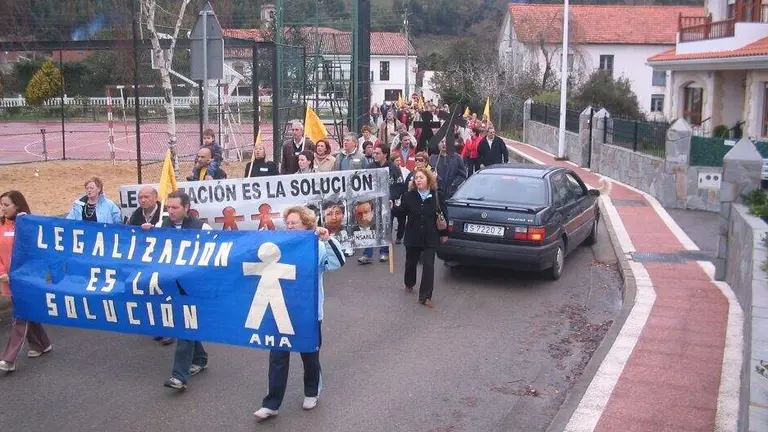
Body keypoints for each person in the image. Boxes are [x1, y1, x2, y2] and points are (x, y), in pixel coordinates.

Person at [253, 206, 345, 420]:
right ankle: (271, 404)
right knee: (277, 356)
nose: (290, 226)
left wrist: (327, 240)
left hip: (308, 312)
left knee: (309, 355)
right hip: (280, 310)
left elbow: (337, 262)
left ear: (307, 224)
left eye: (295, 222)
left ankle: (311, 392)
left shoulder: (317, 246)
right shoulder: (279, 245)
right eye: (288, 222)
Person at [142, 191, 212, 391]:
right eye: (168, 207)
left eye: (175, 207)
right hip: (172, 285)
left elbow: (213, 252)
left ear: (186, 208)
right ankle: (200, 358)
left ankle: (179, 376)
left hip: (194, 286)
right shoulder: (161, 226)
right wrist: (146, 232)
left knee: (185, 325)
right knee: (186, 323)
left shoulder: (202, 227)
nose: (170, 211)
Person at [0, 191, 52, 373]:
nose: (3, 209)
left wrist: (27, 222)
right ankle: (42, 344)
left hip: (26, 279)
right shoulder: (1, 225)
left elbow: (37, 250)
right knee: (28, 313)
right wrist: (3, 272)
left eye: (6, 205)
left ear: (17, 205)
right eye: (2, 205)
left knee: (20, 317)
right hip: (7, 279)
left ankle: (9, 358)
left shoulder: (27, 224)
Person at [392, 167, 448, 308]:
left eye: (421, 178)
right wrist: (392, 208)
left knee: (429, 266)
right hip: (413, 236)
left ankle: (425, 296)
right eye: (416, 178)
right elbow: (401, 213)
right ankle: (409, 283)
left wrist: (444, 233)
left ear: (428, 180)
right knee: (411, 262)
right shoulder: (409, 196)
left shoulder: (437, 195)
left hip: (431, 236)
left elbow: (444, 215)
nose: (418, 180)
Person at [126, 186, 173, 346]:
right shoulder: (137, 214)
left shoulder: (166, 213)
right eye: (140, 197)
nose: (143, 200)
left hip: (164, 261)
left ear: (155, 198)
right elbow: (129, 234)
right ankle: (159, 327)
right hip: (145, 262)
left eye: (146, 197)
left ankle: (170, 330)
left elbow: (175, 234)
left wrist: (155, 231)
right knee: (150, 295)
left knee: (165, 295)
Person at [359, 144, 404, 264]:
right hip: (372, 203)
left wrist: (392, 198)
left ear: (385, 154)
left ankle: (384, 252)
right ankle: (367, 254)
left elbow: (400, 186)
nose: (375, 155)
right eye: (374, 153)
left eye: (378, 153)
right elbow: (364, 185)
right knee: (370, 227)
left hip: (387, 203)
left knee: (385, 227)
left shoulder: (394, 168)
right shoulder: (370, 167)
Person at [389, 154, 410, 244]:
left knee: (401, 220)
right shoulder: (390, 171)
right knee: (389, 218)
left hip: (402, 198)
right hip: (392, 198)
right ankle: (388, 237)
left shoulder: (405, 171)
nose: (398, 162)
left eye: (399, 160)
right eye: (396, 161)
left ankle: (399, 237)